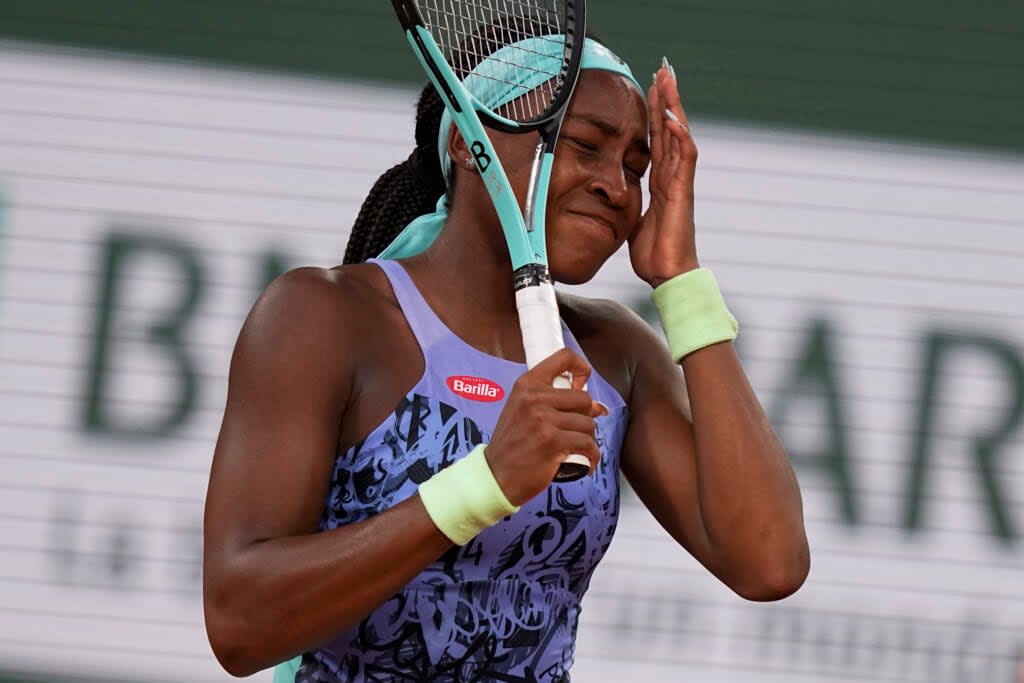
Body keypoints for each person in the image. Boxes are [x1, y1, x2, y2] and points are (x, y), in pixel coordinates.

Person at [202, 26, 810, 683]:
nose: (618, 187)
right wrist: (485, 483)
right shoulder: (321, 317)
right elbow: (239, 623)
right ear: (470, 141)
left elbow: (769, 561)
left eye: (636, 167)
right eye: (585, 144)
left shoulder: (618, 353)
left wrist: (680, 276)